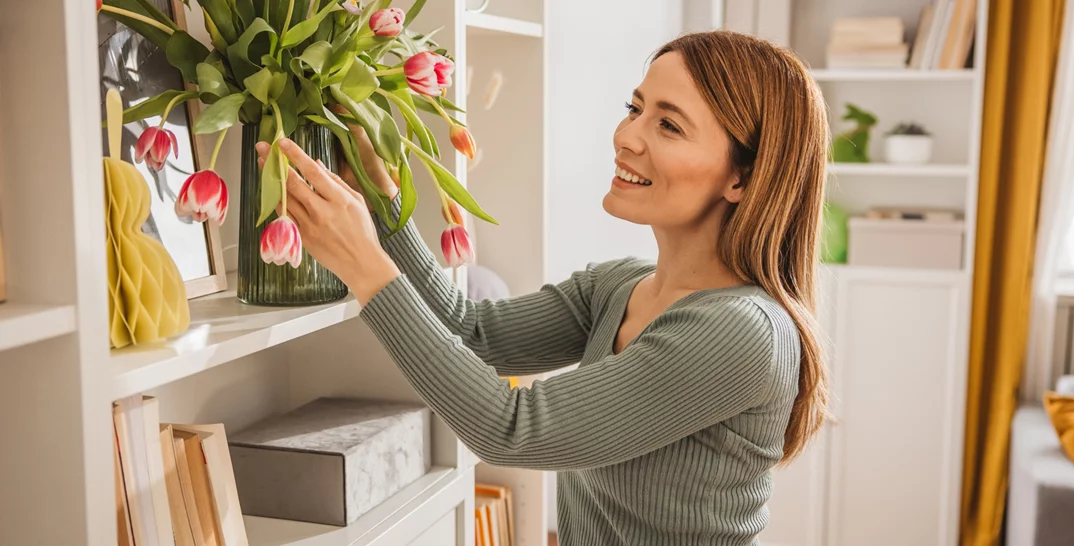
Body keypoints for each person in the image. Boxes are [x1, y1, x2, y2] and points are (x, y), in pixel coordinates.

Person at [256, 29, 829, 546]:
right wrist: (382, 203)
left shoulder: (743, 332)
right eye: (634, 108)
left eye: (668, 125)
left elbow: (513, 431)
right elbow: (472, 332)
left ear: (741, 177)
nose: (626, 137)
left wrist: (365, 266)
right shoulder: (620, 286)